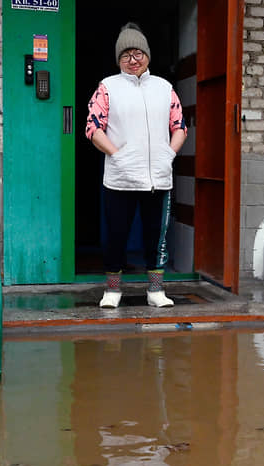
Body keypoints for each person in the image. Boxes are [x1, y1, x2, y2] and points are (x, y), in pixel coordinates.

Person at [86, 22, 187, 309]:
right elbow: (93, 128)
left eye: (138, 53)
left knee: (156, 236)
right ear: (119, 59)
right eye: (126, 54)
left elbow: (179, 126)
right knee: (115, 235)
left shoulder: (164, 88)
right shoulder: (108, 87)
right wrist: (117, 155)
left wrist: (169, 154)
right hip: (120, 178)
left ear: (147, 55)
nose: (133, 59)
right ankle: (113, 291)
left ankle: (156, 291)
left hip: (158, 177)